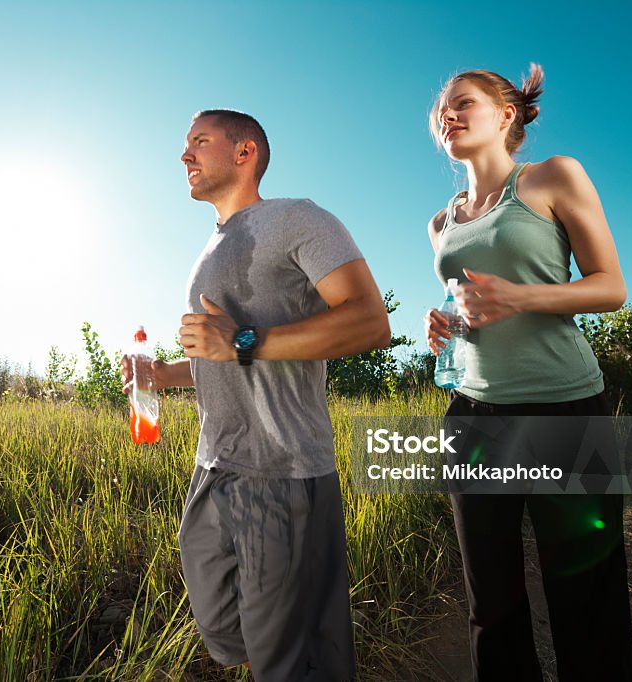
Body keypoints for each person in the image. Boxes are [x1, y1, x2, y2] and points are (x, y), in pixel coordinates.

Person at [124, 109, 390, 681]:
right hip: (215, 464)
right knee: (225, 628)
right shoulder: (209, 250)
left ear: (244, 154)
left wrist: (242, 340)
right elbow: (219, 362)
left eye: (199, 141)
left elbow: (371, 322)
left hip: (281, 470)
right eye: (185, 144)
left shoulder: (298, 219)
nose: (184, 155)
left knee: (286, 659)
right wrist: (160, 375)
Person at [424, 65, 632, 681]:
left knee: (585, 595)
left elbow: (610, 287)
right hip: (473, 414)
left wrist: (520, 297)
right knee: (491, 602)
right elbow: (465, 304)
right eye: (443, 110)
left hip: (563, 407)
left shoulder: (551, 178)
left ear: (507, 114)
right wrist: (442, 326)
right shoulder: (442, 223)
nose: (449, 116)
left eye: (463, 103)